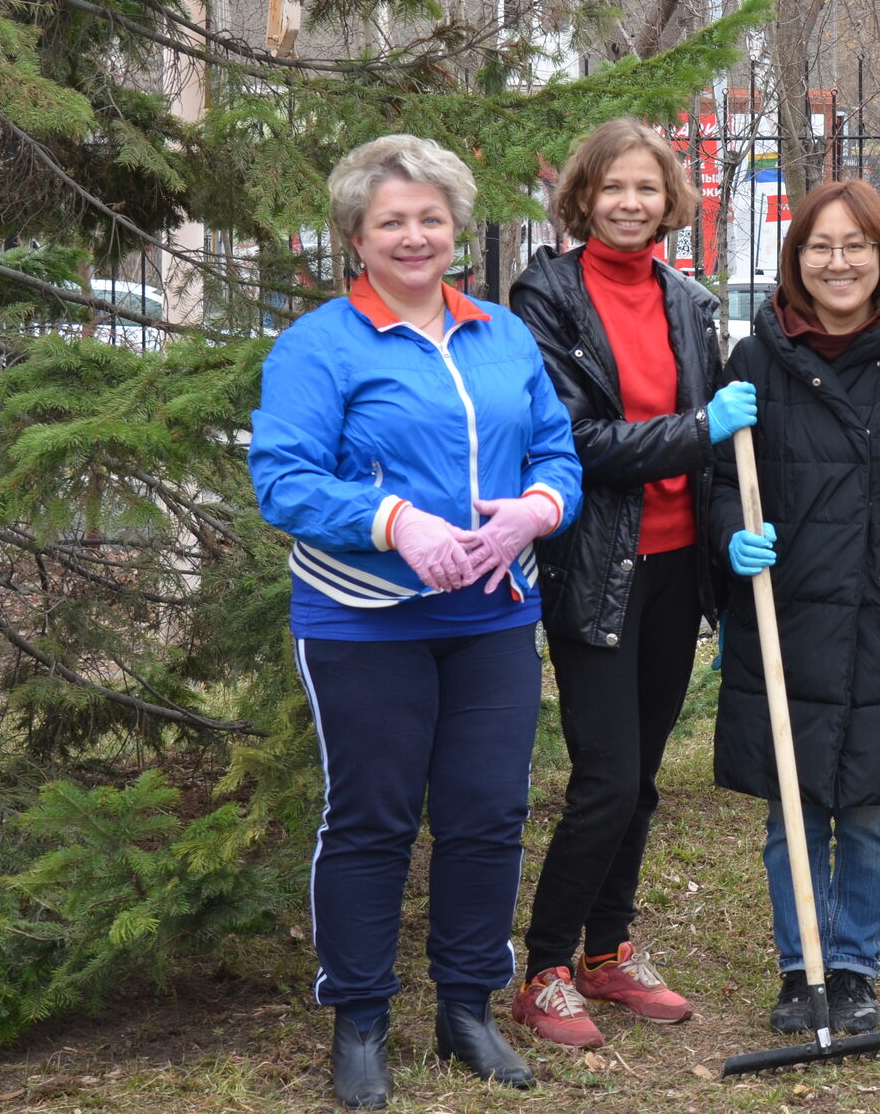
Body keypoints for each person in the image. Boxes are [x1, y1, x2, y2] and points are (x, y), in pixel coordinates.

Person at [249, 134, 583, 1107]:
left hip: (491, 620)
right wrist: (391, 520)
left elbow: (557, 454)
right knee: (371, 822)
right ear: (357, 235)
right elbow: (284, 480)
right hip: (364, 623)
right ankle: (359, 1022)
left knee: (487, 816)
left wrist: (537, 509)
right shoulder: (319, 345)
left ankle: (466, 1009)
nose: (413, 235)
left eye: (430, 218)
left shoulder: (502, 335)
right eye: (391, 220)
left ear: (456, 230)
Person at [506, 118, 756, 1049]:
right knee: (606, 779)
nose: (630, 203)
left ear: (670, 201)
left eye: (647, 188)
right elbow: (573, 445)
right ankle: (544, 969)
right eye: (613, 187)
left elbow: (724, 442)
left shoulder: (687, 301)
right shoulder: (549, 299)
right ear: (584, 195)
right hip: (594, 571)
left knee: (642, 779)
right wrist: (700, 427)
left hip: (676, 566)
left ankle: (608, 952)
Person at [711, 178, 880, 1038]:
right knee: (795, 807)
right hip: (790, 612)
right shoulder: (756, 361)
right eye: (819, 246)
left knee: (874, 811)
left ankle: (852, 970)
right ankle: (798, 963)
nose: (837, 262)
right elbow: (719, 481)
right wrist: (731, 531)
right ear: (795, 258)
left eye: (856, 246)